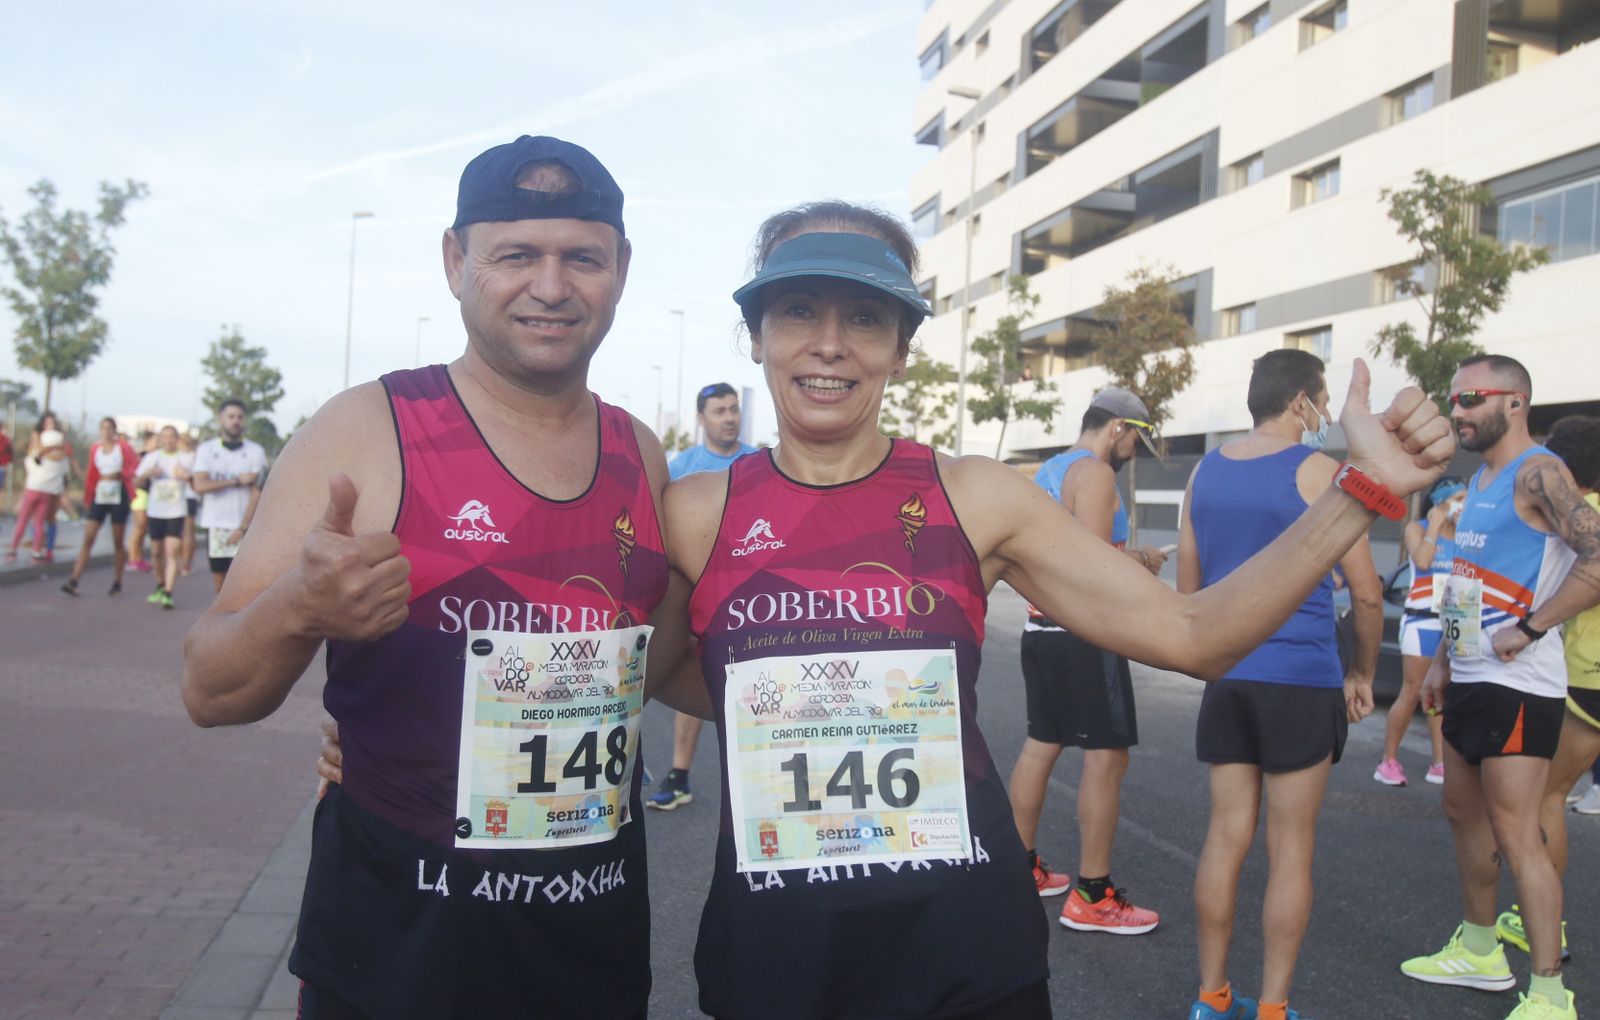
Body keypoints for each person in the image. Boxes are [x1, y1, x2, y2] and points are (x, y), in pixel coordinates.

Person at [661, 205, 1446, 1020]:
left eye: (864, 315)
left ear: (902, 347)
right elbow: (645, 675)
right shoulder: (694, 513)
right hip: (779, 955)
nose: (829, 343)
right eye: (798, 309)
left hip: (963, 950)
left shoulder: (976, 497)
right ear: (755, 334)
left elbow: (1194, 635)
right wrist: (807, 705)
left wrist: (1360, 493)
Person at [183, 135, 706, 1018]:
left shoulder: (640, 452)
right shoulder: (365, 429)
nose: (551, 286)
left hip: (591, 949)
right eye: (516, 256)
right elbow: (210, 690)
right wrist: (298, 608)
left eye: (582, 258)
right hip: (397, 952)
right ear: (456, 262)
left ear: (621, 269)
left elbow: (644, 674)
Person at [1177, 348, 1384, 1020]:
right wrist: (1362, 672)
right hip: (1299, 678)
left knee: (1225, 836)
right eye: (1321, 403)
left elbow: (1189, 591)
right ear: (1301, 402)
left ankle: (1211, 998)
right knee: (1290, 849)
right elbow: (1367, 593)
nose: (1323, 415)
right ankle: (1272, 1009)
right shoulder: (1323, 472)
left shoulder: (1203, 472)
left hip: (1228, 677)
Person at [1406, 355, 1600, 1020]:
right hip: (1469, 676)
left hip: (1520, 686)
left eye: (1471, 399)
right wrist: (1441, 662)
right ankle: (1481, 950)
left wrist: (1533, 626)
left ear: (1515, 402)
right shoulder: (1480, 478)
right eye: (1453, 400)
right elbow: (1467, 577)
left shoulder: (1540, 471)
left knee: (1518, 835)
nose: (1456, 412)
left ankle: (1549, 992)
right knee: (1462, 814)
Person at [1006, 386, 1168, 932]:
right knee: (1107, 757)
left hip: (1040, 628)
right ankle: (1093, 895)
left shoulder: (1049, 471)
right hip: (1086, 633)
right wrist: (1142, 559)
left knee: (1041, 744)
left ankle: (1020, 868)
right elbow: (1093, 567)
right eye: (1136, 440)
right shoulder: (1095, 473)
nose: (1135, 453)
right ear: (1119, 428)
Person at [1489, 417, 1600, 970]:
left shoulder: (1577, 517)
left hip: (1583, 674)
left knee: (1547, 797)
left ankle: (1544, 929)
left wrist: (1529, 628)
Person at [648, 381, 759, 811]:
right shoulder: (683, 468)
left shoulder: (759, 463)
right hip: (698, 595)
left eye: (733, 409)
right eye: (719, 411)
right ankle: (679, 775)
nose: (729, 418)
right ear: (701, 418)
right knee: (697, 674)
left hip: (752, 598)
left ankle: (765, 789)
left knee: (761, 689)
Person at [1375, 476, 1465, 785]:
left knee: (1441, 693)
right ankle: (1388, 761)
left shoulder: (1464, 535)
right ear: (1441, 502)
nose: (1464, 506)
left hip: (1453, 620)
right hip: (1422, 620)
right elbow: (1423, 560)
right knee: (1413, 690)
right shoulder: (1418, 529)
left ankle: (1439, 763)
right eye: (1459, 499)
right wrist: (1435, 526)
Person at [191, 400, 267, 593]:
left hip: (246, 526)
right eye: (231, 416)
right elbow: (200, 485)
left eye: (240, 417)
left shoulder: (255, 451)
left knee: (245, 584)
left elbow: (258, 490)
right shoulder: (207, 450)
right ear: (221, 419)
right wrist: (237, 481)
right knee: (221, 585)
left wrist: (243, 527)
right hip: (217, 526)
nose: (236, 421)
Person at [62, 417, 138, 596]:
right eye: (103, 428)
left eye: (109, 428)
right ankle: (74, 578)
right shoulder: (96, 448)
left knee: (117, 539)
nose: (105, 431)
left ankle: (117, 580)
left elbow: (133, 468)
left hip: (118, 493)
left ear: (114, 430)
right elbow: (92, 473)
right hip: (101, 493)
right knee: (89, 536)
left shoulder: (123, 448)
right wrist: (87, 491)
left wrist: (121, 475)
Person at [136, 425, 193, 609]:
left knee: (172, 551)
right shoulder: (152, 458)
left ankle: (168, 592)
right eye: (165, 437)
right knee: (155, 552)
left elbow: (196, 482)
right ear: (160, 439)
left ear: (177, 439)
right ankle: (160, 584)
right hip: (156, 511)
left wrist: (186, 476)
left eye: (172, 436)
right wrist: (148, 474)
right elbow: (136, 482)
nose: (168, 440)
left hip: (176, 511)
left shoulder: (185, 459)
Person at [7, 427, 72, 563]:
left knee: (23, 520)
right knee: (39, 523)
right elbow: (63, 476)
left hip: (32, 490)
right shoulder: (63, 461)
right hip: (47, 494)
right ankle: (36, 552)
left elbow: (29, 465)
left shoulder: (36, 456)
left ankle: (13, 550)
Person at [126, 430, 157, 573]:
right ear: (147, 443)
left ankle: (138, 558)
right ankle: (133, 559)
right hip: (140, 494)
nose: (158, 444)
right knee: (139, 527)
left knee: (143, 528)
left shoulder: (155, 456)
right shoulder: (141, 457)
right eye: (155, 441)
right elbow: (135, 477)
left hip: (148, 494)